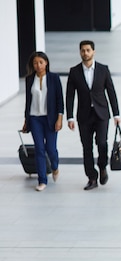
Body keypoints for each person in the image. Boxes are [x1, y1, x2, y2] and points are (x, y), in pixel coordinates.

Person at [66, 40, 120, 191]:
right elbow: (70, 96)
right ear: (80, 52)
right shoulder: (74, 71)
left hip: (101, 113)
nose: (85, 53)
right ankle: (91, 177)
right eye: (83, 50)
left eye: (88, 50)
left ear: (93, 52)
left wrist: (116, 113)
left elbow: (111, 92)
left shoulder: (103, 70)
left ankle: (102, 166)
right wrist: (69, 117)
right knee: (87, 147)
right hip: (84, 116)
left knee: (102, 143)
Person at [22, 51, 64, 192]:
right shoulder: (29, 79)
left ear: (46, 63)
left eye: (41, 62)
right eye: (35, 63)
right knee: (39, 149)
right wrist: (26, 120)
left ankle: (55, 167)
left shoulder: (54, 78)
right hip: (35, 119)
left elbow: (60, 100)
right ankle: (42, 180)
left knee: (51, 149)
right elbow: (28, 101)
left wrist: (60, 119)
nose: (38, 65)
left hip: (50, 119)